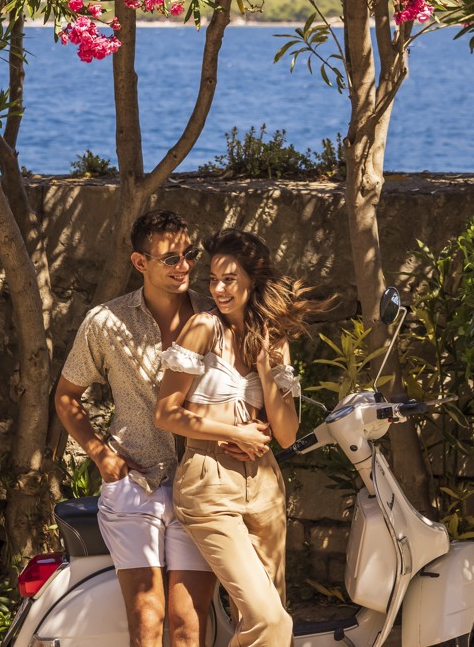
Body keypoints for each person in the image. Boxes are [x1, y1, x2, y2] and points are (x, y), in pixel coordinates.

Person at [55, 209, 218, 647]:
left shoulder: (214, 315)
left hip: (200, 483)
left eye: (188, 254)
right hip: (135, 483)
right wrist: (100, 454)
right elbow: (66, 396)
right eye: (170, 258)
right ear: (139, 262)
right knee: (147, 618)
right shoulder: (105, 322)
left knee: (188, 622)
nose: (183, 266)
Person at [155, 228, 320, 647]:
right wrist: (234, 430)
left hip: (265, 487)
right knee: (270, 622)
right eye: (213, 279)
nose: (219, 288)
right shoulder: (202, 328)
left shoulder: (274, 338)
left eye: (229, 279)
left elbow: (285, 434)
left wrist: (266, 366)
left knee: (270, 617)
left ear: (253, 281)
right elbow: (166, 413)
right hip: (209, 484)